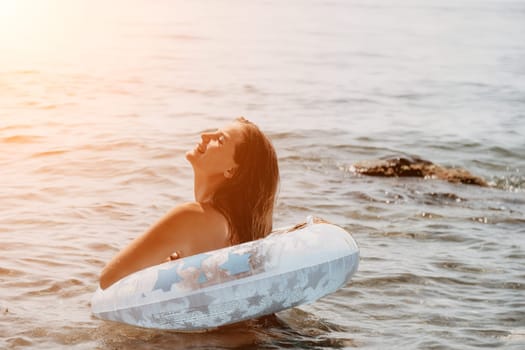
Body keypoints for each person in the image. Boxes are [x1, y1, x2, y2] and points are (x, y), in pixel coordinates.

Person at [99, 117, 279, 290]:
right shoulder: (235, 227)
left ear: (231, 170)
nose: (205, 136)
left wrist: (162, 269)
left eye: (220, 139)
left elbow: (109, 279)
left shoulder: (192, 216)